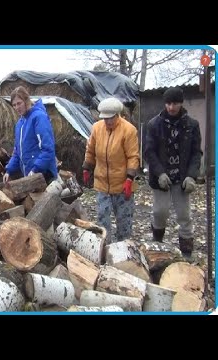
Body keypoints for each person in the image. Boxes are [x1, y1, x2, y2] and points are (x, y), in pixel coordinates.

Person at [144, 87, 202, 256]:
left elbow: (196, 153)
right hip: (161, 177)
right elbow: (149, 151)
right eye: (168, 103)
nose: (171, 107)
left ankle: (187, 253)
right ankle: (157, 245)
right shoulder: (154, 124)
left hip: (182, 177)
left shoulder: (192, 125)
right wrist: (160, 173)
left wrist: (192, 176)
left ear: (181, 103)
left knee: (184, 216)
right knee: (159, 212)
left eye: (175, 103)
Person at [82, 97, 140, 244]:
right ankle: (104, 248)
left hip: (122, 184)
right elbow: (90, 150)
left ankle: (124, 250)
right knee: (102, 219)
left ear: (117, 115)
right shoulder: (96, 128)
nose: (107, 121)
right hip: (102, 183)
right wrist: (87, 167)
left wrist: (129, 178)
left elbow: (133, 157)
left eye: (110, 118)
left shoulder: (129, 130)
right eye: (104, 118)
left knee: (124, 222)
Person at [2, 86, 57, 185]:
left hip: (44, 175)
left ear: (26, 100)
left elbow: (48, 149)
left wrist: (36, 169)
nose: (17, 107)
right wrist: (9, 171)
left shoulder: (39, 118)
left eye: (19, 103)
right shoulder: (20, 124)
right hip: (30, 176)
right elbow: (17, 152)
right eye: (14, 105)